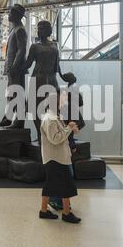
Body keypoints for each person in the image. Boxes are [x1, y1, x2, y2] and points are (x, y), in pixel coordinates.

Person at [39, 92, 81, 224]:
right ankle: (66, 213)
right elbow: (55, 139)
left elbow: (60, 134)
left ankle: (44, 211)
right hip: (55, 158)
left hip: (57, 157)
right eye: (60, 100)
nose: (62, 102)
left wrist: (69, 128)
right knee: (66, 185)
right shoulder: (50, 119)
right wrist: (68, 128)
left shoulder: (54, 117)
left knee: (51, 185)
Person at [49, 73, 85, 211]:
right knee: (65, 175)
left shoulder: (66, 97)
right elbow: (62, 133)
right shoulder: (61, 108)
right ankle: (59, 201)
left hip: (64, 143)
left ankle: (60, 201)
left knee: (65, 175)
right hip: (61, 146)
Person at [25, 20, 66, 141]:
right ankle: (40, 134)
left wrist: (64, 77)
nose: (39, 30)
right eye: (38, 28)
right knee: (35, 108)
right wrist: (15, 67)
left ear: (49, 30)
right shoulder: (34, 46)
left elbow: (57, 65)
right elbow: (28, 64)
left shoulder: (54, 45)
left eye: (42, 28)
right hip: (37, 78)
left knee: (54, 108)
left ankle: (50, 135)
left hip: (52, 79)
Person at [0, 4, 28, 129]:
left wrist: (14, 67)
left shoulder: (20, 30)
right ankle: (8, 118)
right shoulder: (14, 29)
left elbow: (22, 51)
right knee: (11, 94)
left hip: (16, 69)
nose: (8, 15)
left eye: (11, 13)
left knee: (17, 94)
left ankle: (18, 121)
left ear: (17, 15)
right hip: (12, 69)